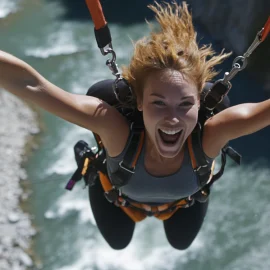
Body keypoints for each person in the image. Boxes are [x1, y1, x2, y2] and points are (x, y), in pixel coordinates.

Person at [0, 1, 269, 250]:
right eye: (159, 103)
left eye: (185, 104)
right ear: (139, 102)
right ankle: (90, 158)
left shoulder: (212, 134)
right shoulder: (114, 130)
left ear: (200, 104)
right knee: (118, 241)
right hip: (119, 196)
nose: (172, 118)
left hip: (179, 201)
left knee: (180, 242)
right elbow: (32, 84)